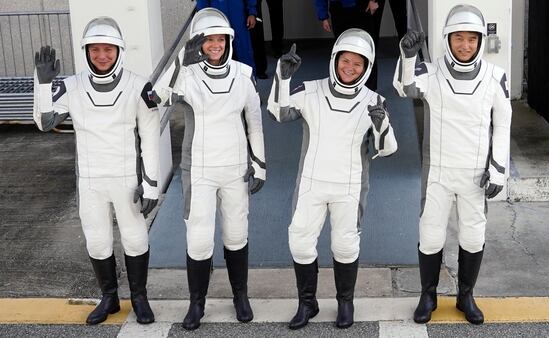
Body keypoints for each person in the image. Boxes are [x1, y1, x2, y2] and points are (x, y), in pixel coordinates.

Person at [268, 28, 398, 330]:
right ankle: (307, 303)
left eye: (358, 64)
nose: (350, 68)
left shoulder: (375, 100)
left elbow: (387, 149)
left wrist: (381, 125)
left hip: (350, 186)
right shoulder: (310, 89)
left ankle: (345, 303)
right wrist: (282, 78)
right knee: (300, 242)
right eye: (345, 61)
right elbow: (278, 112)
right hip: (311, 183)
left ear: (367, 67)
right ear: (334, 59)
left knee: (345, 246)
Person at [32, 17, 159, 325]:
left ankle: (139, 298)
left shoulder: (138, 85)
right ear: (86, 51)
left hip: (127, 177)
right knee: (98, 241)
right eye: (95, 49)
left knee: (135, 239)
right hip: (91, 180)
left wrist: (151, 183)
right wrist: (43, 84)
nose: (102, 56)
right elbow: (44, 122)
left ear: (119, 51)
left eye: (108, 49)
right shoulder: (72, 86)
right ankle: (109, 297)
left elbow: (151, 137)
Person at [393, 4, 512, 325]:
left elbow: (502, 125)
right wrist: (407, 57)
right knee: (431, 236)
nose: (464, 45)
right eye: (458, 38)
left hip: (476, 175)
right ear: (447, 39)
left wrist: (499, 168)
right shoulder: (431, 73)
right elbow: (404, 88)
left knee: (473, 237)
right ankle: (427, 295)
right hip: (438, 174)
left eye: (471, 39)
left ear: (479, 41)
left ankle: (465, 295)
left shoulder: (495, 77)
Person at [153, 8, 266, 330]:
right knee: (199, 239)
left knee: (236, 234)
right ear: (197, 43)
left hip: (235, 168)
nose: (215, 45)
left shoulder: (244, 74)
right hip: (198, 169)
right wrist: (179, 64)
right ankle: (196, 303)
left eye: (220, 39)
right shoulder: (186, 76)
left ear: (229, 41)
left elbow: (254, 125)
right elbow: (156, 99)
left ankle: (240, 296)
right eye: (208, 40)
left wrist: (260, 165)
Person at [314, 0, 380, 90]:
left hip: (362, 6)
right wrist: (323, 16)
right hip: (338, 9)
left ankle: (369, 90)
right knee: (342, 51)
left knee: (366, 49)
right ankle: (344, 89)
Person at [195, 0, 258, 75]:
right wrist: (203, 17)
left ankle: (250, 80)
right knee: (220, 54)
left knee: (244, 52)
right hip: (217, 18)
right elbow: (202, 2)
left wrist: (252, 13)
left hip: (238, 17)